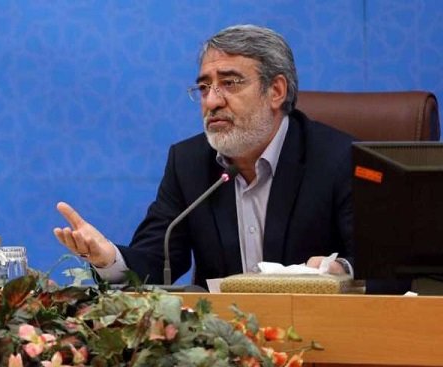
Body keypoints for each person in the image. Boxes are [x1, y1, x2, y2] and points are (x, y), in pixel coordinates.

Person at [53, 24, 355, 289]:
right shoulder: (189, 162)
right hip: (224, 333)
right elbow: (157, 260)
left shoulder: (339, 159)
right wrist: (109, 259)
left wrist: (341, 269)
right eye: (203, 87)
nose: (211, 101)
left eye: (229, 83)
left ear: (275, 91)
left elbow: (377, 265)